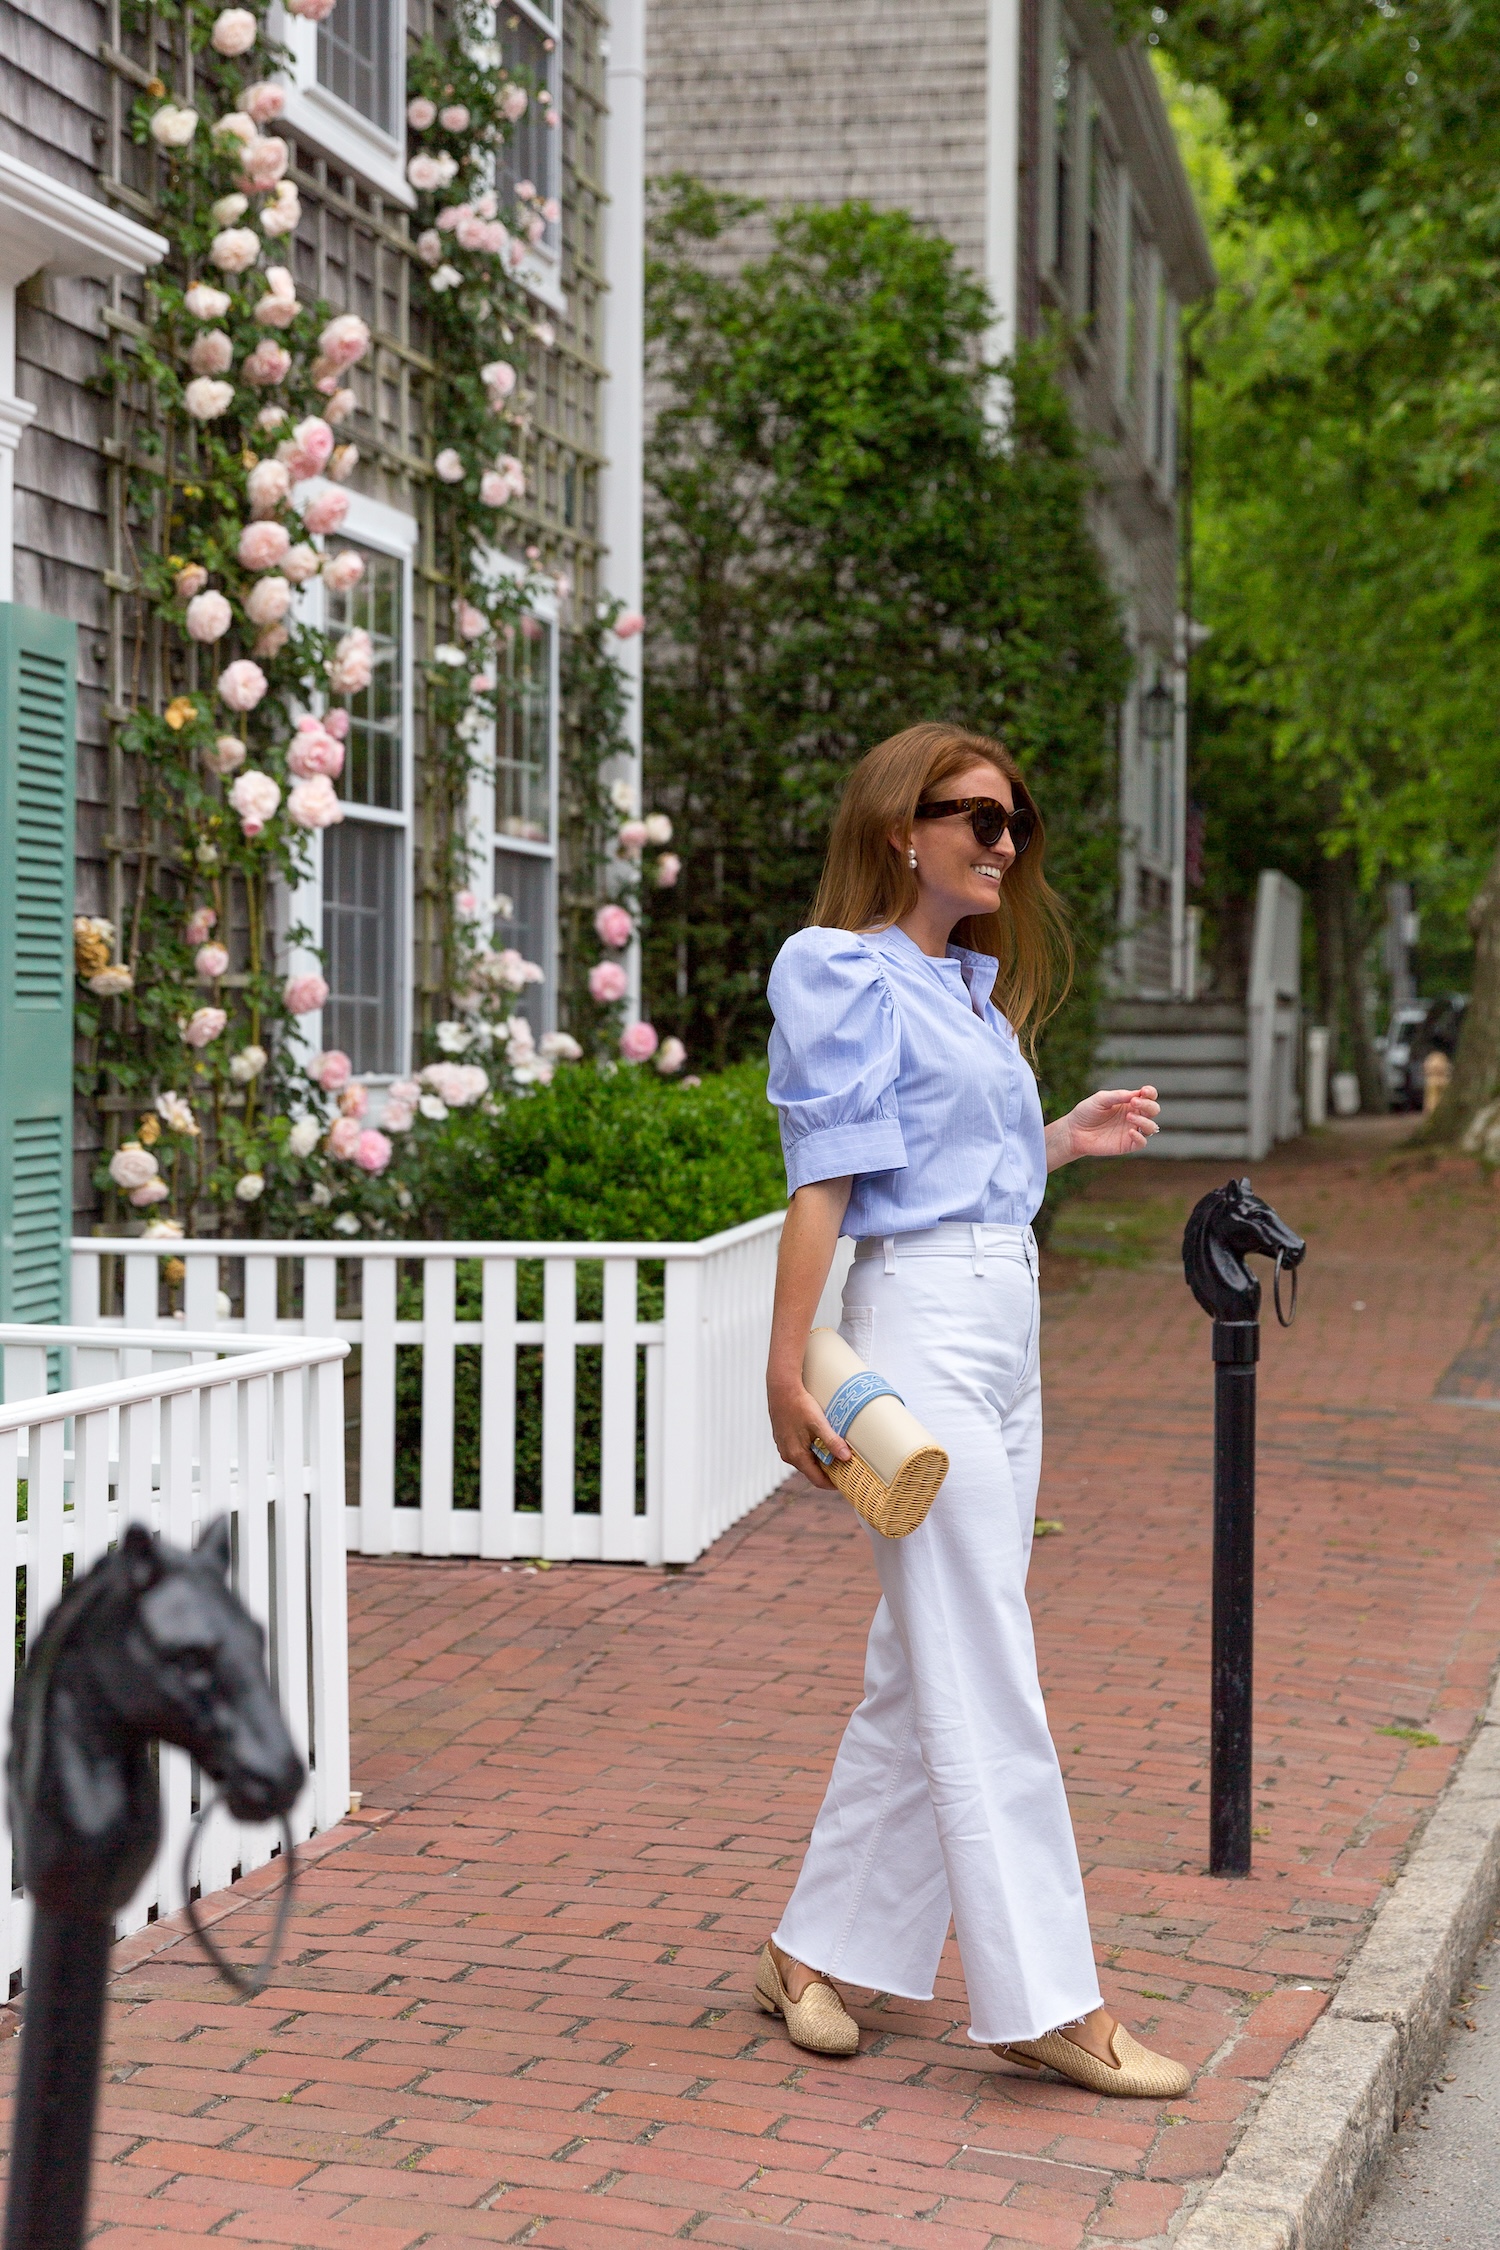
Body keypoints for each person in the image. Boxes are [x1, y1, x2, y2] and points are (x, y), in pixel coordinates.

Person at [754, 722, 1190, 2100]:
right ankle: (1047, 1995)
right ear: (903, 828)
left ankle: (810, 1950)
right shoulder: (842, 971)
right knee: (987, 1654)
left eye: (1013, 824)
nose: (1002, 844)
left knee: (927, 1653)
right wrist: (786, 1362)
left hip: (1008, 1323)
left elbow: (965, 1168)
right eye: (974, 819)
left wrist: (1063, 1136)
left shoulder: (971, 992)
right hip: (918, 1328)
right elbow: (832, 1181)